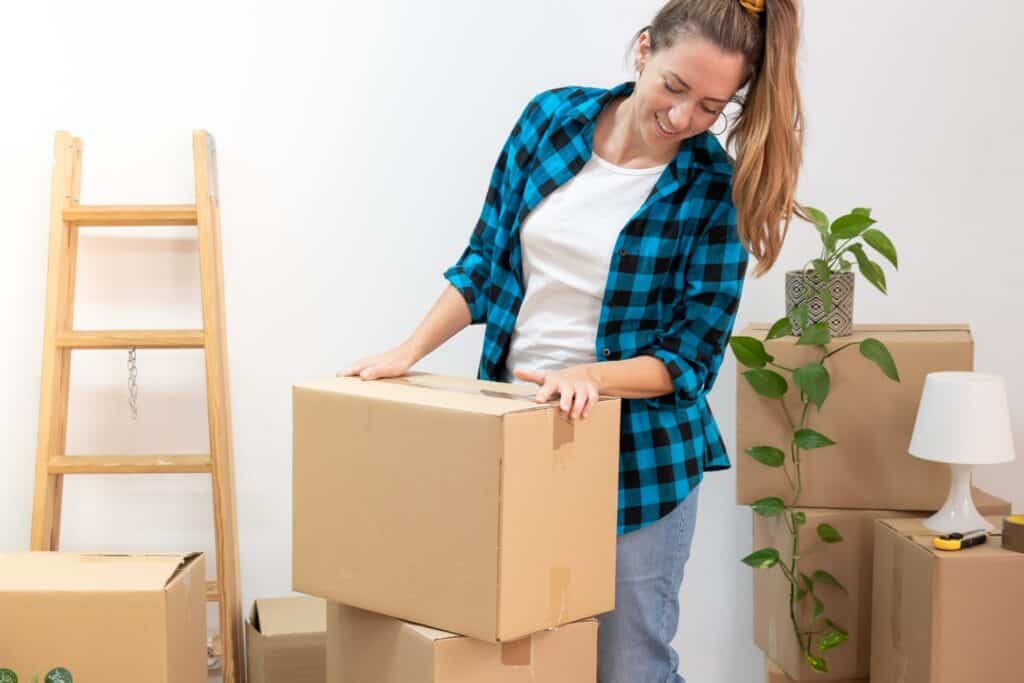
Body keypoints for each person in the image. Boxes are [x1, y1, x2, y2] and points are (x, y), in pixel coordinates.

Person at [340, 0, 806, 679]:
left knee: (629, 667)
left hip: (639, 465)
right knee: (518, 656)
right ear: (644, 49)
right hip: (523, 441)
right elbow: (485, 262)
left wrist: (594, 375)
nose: (682, 118)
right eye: (675, 87)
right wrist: (408, 351)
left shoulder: (714, 192)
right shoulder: (550, 120)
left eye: (710, 106)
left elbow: (691, 358)